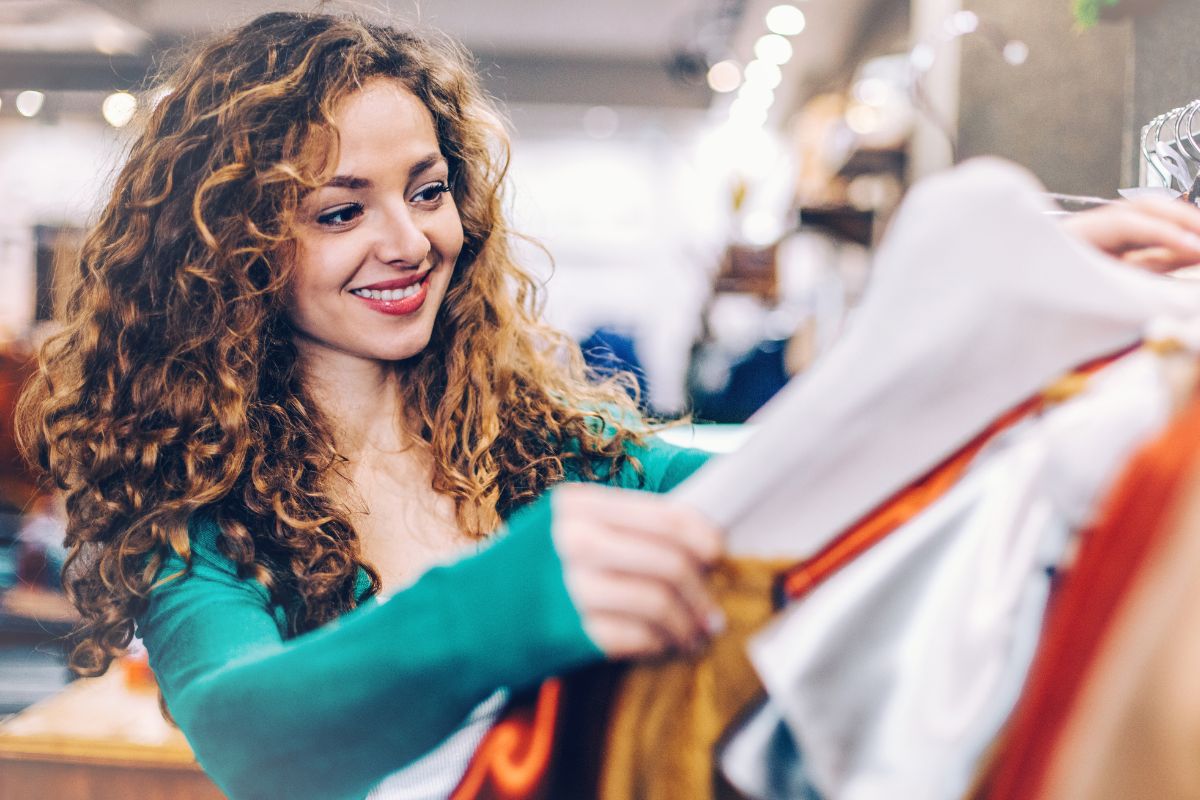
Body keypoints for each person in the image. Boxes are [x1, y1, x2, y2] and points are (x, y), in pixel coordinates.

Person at [16, 10, 1200, 800]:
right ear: (230, 248)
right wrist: (512, 597)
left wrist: (1003, 321)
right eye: (340, 210)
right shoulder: (200, 517)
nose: (407, 240)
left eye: (428, 191)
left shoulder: (539, 442)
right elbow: (245, 730)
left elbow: (798, 466)